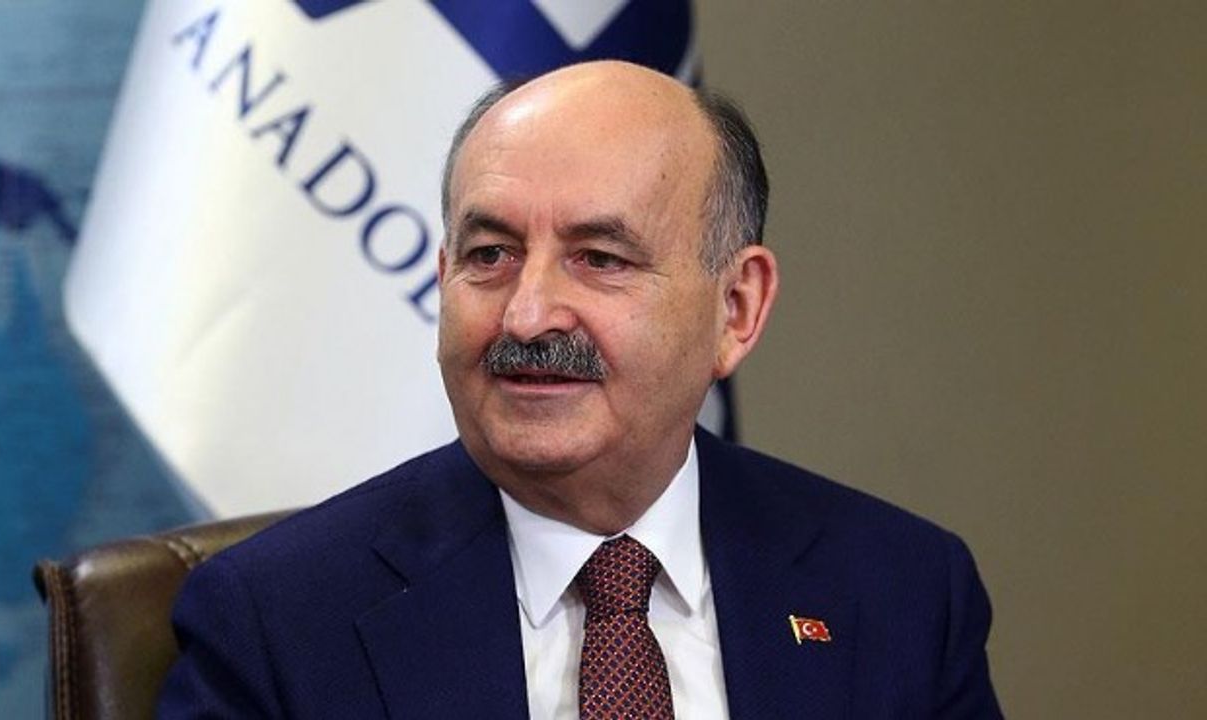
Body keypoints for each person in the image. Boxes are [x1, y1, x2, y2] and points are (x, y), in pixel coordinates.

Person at [159, 60, 1002, 719]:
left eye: (600, 259)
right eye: (490, 256)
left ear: (735, 309)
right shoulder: (276, 622)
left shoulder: (901, 590)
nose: (527, 316)